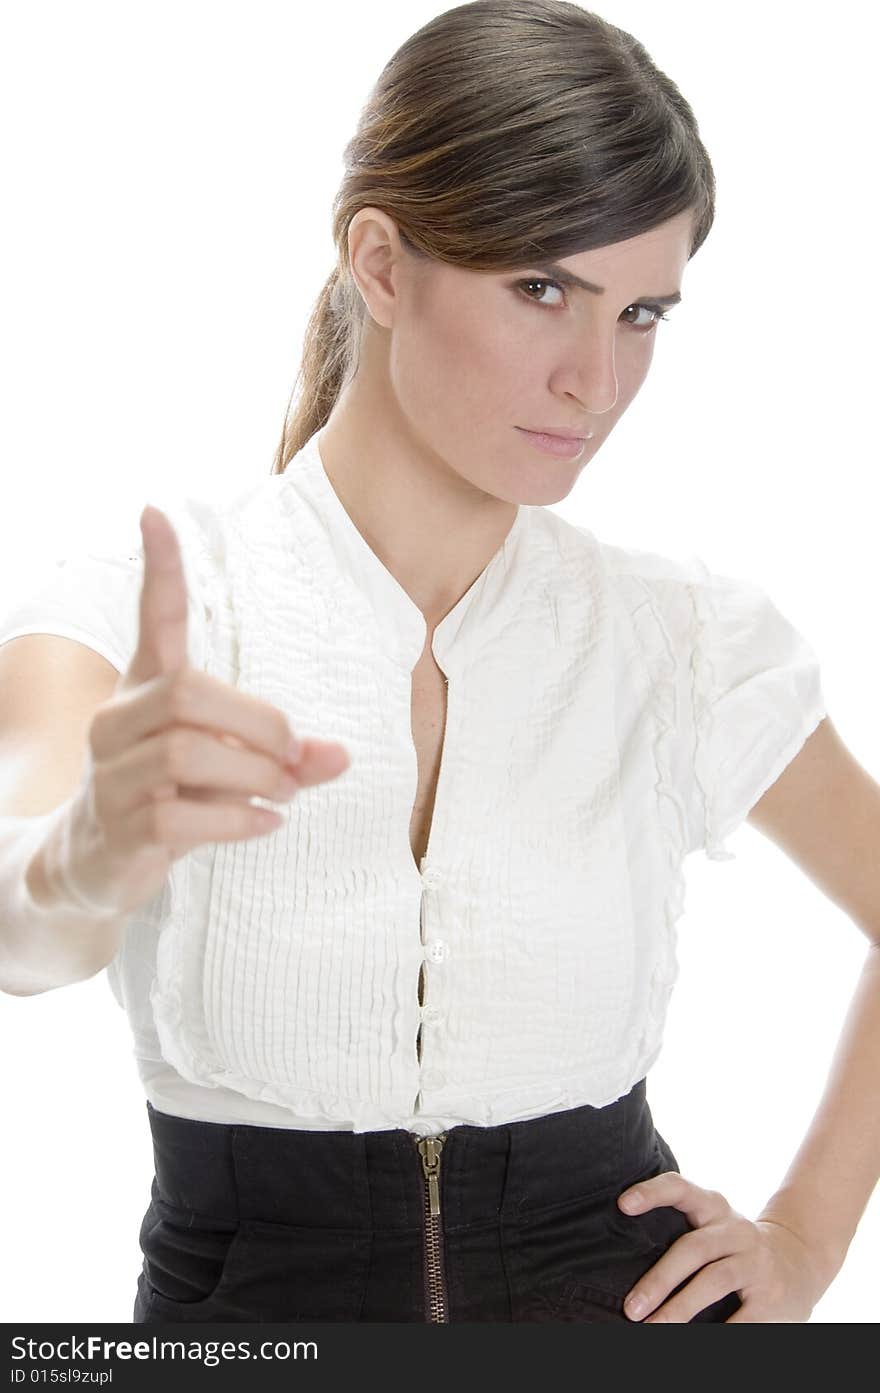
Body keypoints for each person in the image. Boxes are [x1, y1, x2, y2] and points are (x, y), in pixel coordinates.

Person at [1, 0, 876, 1325]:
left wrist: (808, 1238)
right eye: (543, 291)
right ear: (383, 262)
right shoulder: (136, 605)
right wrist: (81, 855)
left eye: (642, 313)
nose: (597, 379)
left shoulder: (683, 641)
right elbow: (19, 916)